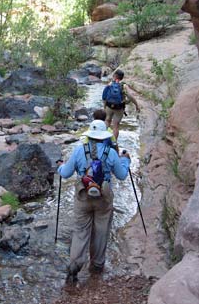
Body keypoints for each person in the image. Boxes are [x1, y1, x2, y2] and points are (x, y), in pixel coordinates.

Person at [57, 120, 131, 284]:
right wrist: (126, 160)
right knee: (101, 231)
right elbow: (122, 175)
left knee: (80, 232)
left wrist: (60, 166)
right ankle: (97, 266)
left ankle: (74, 267)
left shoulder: (78, 151)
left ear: (89, 135)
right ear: (104, 136)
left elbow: (65, 173)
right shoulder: (111, 153)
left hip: (83, 197)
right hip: (103, 198)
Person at [102, 69, 140, 141]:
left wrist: (104, 106)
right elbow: (130, 96)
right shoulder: (124, 86)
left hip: (109, 106)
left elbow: (104, 96)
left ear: (114, 76)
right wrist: (136, 105)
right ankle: (114, 143)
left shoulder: (110, 84)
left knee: (107, 121)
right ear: (122, 77)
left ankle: (103, 140)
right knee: (116, 125)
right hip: (119, 108)